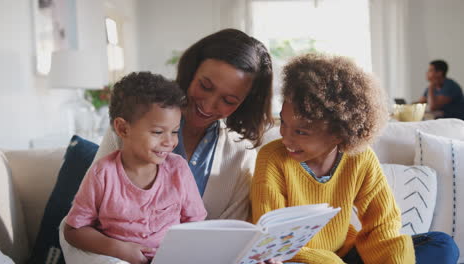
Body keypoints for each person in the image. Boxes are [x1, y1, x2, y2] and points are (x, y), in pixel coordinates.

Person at [252, 53, 460, 264]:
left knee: (441, 244)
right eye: (283, 123)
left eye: (301, 132)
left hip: (349, 254)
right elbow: (273, 241)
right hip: (302, 259)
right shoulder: (271, 158)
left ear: (339, 133)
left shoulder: (360, 158)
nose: (285, 137)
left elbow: (382, 225)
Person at [91, 28, 274, 222]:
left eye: (228, 100)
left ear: (244, 104)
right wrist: (119, 251)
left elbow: (230, 240)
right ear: (192, 71)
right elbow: (76, 228)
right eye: (205, 86)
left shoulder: (241, 156)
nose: (209, 105)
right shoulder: (131, 126)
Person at [62, 72, 207, 264]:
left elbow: (196, 224)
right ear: (123, 129)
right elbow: (73, 230)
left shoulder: (178, 169)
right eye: (157, 132)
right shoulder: (103, 173)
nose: (170, 141)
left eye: (174, 132)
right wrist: (118, 248)